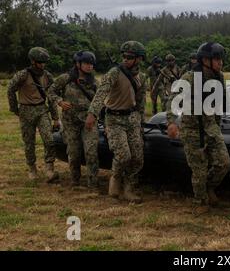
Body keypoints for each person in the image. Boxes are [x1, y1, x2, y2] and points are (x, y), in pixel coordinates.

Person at [166, 42, 230, 216]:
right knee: (199, 170)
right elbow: (172, 99)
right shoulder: (189, 77)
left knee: (224, 163)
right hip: (192, 129)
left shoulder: (219, 77)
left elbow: (219, 104)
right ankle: (200, 201)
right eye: (217, 59)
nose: (220, 63)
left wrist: (218, 124)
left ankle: (208, 188)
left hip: (211, 126)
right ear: (205, 60)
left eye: (220, 59)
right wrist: (172, 122)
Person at [85, 41, 147, 203]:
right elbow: (101, 93)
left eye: (130, 57)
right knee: (123, 155)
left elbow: (141, 103)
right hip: (114, 119)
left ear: (139, 59)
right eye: (124, 56)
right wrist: (93, 113)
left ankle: (129, 188)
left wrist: (141, 123)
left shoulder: (142, 77)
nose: (125, 59)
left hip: (132, 119)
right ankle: (116, 178)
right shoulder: (114, 72)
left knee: (138, 157)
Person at [7, 47, 60, 183]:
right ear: (33, 61)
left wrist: (55, 118)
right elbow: (10, 89)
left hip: (42, 110)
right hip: (26, 111)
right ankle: (32, 168)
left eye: (44, 62)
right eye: (40, 62)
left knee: (49, 139)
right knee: (29, 142)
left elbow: (52, 97)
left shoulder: (47, 76)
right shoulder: (23, 75)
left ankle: (49, 168)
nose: (43, 65)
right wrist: (15, 109)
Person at [48, 51, 99, 188]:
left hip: (89, 121)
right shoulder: (65, 78)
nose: (90, 67)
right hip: (70, 122)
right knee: (74, 152)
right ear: (78, 64)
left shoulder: (94, 82)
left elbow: (100, 101)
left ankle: (93, 183)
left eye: (92, 64)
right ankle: (75, 180)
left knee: (91, 151)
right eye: (87, 63)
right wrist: (60, 101)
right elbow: (51, 92)